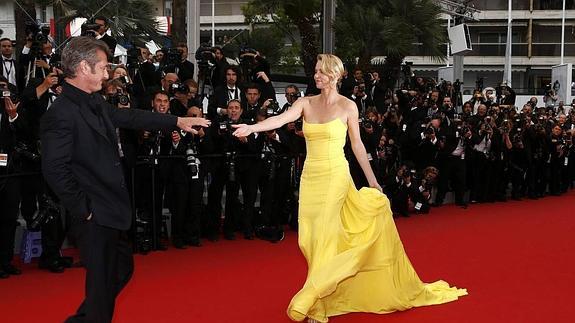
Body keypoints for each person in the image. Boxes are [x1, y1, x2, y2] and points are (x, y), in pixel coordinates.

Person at [233, 54, 467, 323]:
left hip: (335, 176)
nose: (316, 75)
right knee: (309, 239)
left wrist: (373, 181)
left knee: (326, 237)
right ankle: (322, 293)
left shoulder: (348, 107)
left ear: (334, 75)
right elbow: (279, 119)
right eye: (316, 71)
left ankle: (311, 301)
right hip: (311, 177)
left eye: (321, 71)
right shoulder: (305, 103)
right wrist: (253, 127)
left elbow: (357, 145)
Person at [39, 36, 209, 323]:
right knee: (101, 286)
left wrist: (175, 121)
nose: (107, 75)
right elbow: (54, 169)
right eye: (103, 69)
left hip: (112, 209)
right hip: (93, 214)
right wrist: (84, 209)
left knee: (118, 271)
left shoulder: (93, 102)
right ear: (83, 68)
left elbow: (128, 117)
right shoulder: (61, 113)